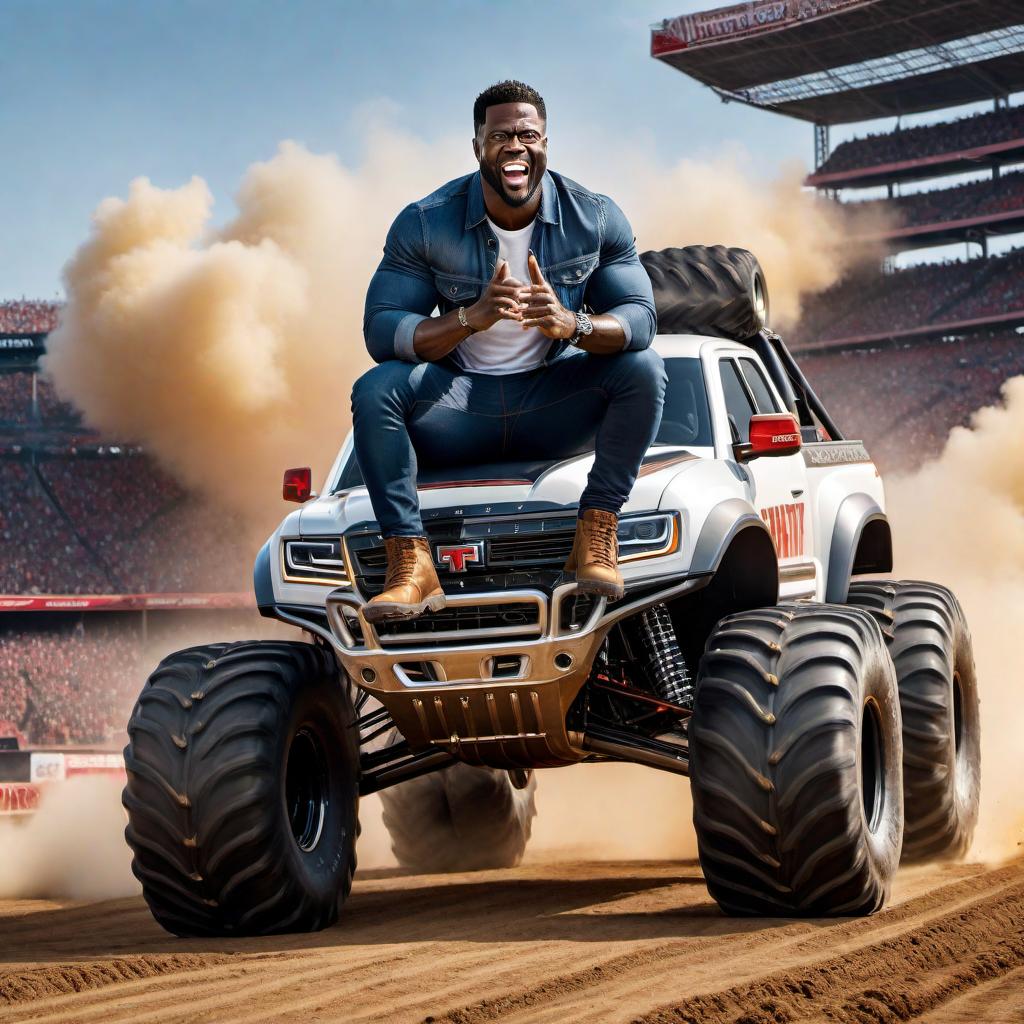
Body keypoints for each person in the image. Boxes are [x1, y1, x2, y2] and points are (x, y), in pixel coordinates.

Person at [353, 80, 665, 622]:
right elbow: (382, 331)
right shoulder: (426, 222)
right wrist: (469, 318)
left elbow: (641, 319)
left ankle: (596, 534)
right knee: (375, 388)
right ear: (478, 147)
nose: (516, 145)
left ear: (546, 143)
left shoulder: (594, 216)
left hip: (552, 407)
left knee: (642, 368)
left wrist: (573, 324)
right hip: (457, 409)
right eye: (501, 136)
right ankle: (409, 564)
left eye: (528, 134)